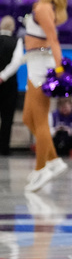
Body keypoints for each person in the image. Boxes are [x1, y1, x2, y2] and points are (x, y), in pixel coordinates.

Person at [17, 0, 69, 191]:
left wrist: (59, 70)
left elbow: (54, 41)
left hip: (42, 67)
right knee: (29, 118)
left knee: (39, 120)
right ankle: (54, 161)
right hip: (34, 63)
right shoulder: (40, 6)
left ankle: (42, 169)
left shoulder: (44, 8)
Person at [0, 16, 20, 155]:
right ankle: (4, 148)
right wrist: (3, 76)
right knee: (7, 118)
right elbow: (17, 62)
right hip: (9, 85)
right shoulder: (16, 41)